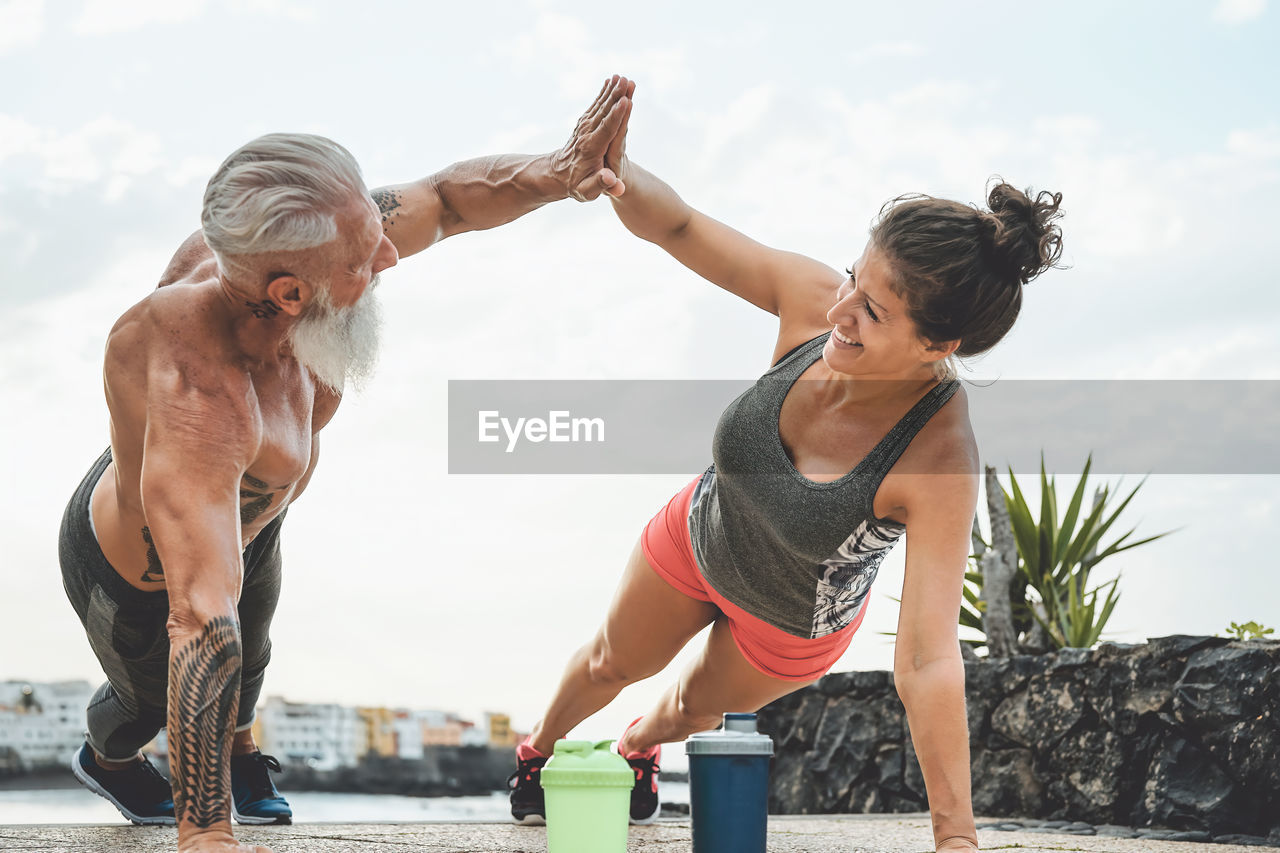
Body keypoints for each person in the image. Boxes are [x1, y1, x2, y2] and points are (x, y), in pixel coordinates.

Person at [59, 76, 635, 853]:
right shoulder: (202, 390)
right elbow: (199, 615)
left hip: (253, 511)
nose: (391, 256)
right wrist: (205, 835)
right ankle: (106, 758)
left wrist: (559, 172)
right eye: (366, 259)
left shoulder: (293, 249)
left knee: (254, 649)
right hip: (139, 572)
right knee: (145, 702)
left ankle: (239, 752)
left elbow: (446, 200)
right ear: (289, 292)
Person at [507, 80, 1063, 853]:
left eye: (872, 311)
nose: (839, 313)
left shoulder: (937, 456)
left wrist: (956, 836)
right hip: (704, 531)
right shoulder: (814, 301)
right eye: (851, 280)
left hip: (790, 621)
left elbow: (929, 655)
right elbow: (678, 224)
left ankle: (638, 749)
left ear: (940, 346)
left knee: (685, 711)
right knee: (608, 661)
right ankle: (535, 751)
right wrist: (616, 171)